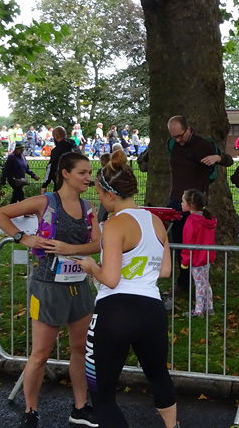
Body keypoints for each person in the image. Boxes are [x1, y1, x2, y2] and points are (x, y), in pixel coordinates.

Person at [0, 152, 101, 428]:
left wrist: (70, 249)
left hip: (79, 285)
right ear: (65, 174)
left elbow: (97, 244)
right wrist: (23, 238)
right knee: (40, 353)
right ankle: (31, 410)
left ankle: (80, 407)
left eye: (89, 173)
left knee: (80, 349)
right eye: (83, 173)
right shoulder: (46, 202)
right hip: (48, 286)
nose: (88, 178)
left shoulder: (88, 207)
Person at [68, 150, 177, 428]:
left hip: (115, 311)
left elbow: (111, 278)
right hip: (152, 310)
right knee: (158, 375)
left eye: (99, 195)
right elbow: (165, 270)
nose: (99, 201)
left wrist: (91, 267)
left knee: (101, 393)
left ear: (110, 194)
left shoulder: (114, 224)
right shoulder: (155, 221)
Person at [166, 115, 233, 246]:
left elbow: (229, 160)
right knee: (177, 240)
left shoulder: (204, 145)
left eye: (180, 136)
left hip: (194, 204)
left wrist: (218, 158)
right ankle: (179, 260)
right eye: (174, 137)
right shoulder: (172, 144)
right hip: (175, 200)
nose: (178, 140)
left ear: (188, 129)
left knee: (192, 242)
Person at [180, 189, 217, 315]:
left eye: (183, 201)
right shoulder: (208, 219)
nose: (181, 203)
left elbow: (188, 242)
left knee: (199, 284)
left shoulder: (192, 221)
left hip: (196, 258)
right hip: (207, 256)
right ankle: (209, 307)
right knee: (205, 281)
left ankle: (198, 310)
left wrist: (185, 260)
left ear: (191, 204)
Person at [42, 127, 80, 194]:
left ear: (56, 137)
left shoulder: (56, 151)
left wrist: (44, 185)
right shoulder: (73, 146)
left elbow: (50, 168)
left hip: (60, 183)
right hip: (75, 182)